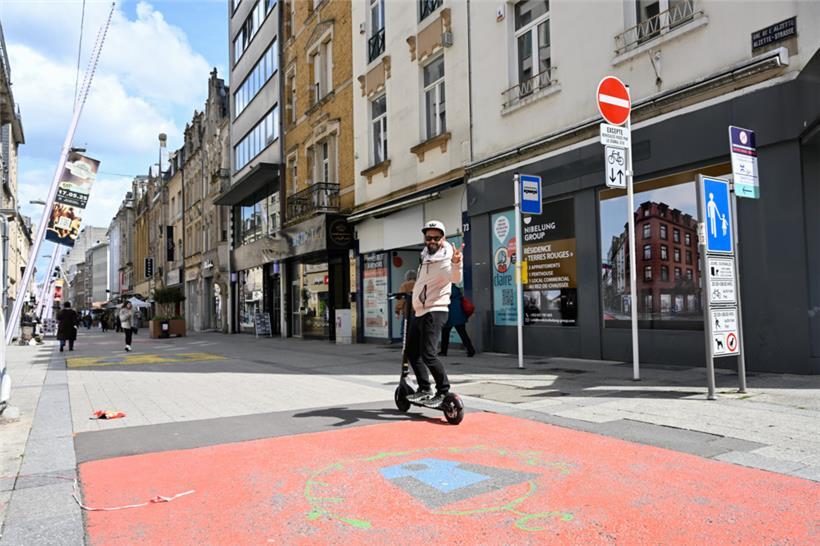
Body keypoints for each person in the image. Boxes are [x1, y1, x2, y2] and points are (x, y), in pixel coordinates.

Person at [405, 220, 463, 408]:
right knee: (412, 353)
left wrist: (456, 263)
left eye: (436, 237)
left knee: (428, 353)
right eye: (429, 237)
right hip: (420, 311)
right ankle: (424, 388)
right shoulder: (425, 256)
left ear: (443, 238)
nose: (432, 240)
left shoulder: (446, 259)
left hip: (435, 310)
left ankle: (443, 390)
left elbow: (455, 278)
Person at [439, 284, 476, 357]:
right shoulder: (456, 290)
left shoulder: (446, 290)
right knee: (462, 333)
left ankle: (443, 351)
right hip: (459, 315)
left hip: (450, 316)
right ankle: (470, 350)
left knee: (445, 333)